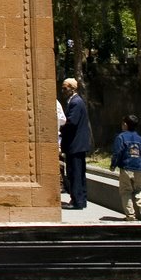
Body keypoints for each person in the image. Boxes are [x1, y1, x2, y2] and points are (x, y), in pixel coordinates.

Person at [60, 77, 92, 210]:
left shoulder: (76, 102)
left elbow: (72, 122)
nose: (63, 90)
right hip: (77, 144)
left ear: (72, 88)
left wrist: (60, 128)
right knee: (78, 172)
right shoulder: (74, 102)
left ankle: (77, 201)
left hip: (75, 144)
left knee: (75, 172)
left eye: (65, 88)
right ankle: (80, 199)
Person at [109, 114, 141, 221]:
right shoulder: (140, 139)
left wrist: (113, 165)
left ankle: (130, 215)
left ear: (125, 124)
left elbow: (117, 153)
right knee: (138, 189)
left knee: (126, 191)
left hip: (126, 167)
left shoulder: (121, 137)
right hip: (139, 167)